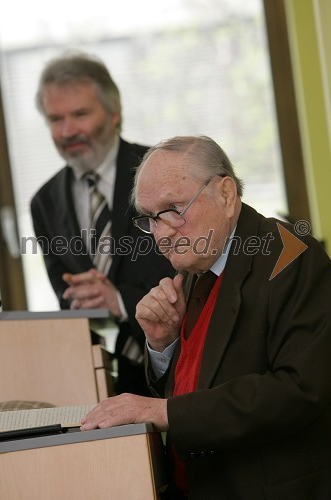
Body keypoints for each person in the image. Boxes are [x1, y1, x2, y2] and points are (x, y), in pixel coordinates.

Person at [80, 135, 331, 499]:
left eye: (174, 209)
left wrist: (164, 412)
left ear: (226, 195)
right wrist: (161, 345)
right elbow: (198, 379)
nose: (162, 234)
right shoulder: (198, 265)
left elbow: (298, 391)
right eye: (151, 218)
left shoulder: (291, 258)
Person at [30, 52, 174, 396]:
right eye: (55, 118)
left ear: (114, 113)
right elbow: (69, 300)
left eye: (80, 114)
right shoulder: (44, 202)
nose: (67, 131)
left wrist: (120, 301)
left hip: (183, 361)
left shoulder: (163, 170)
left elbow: (197, 273)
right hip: (106, 380)